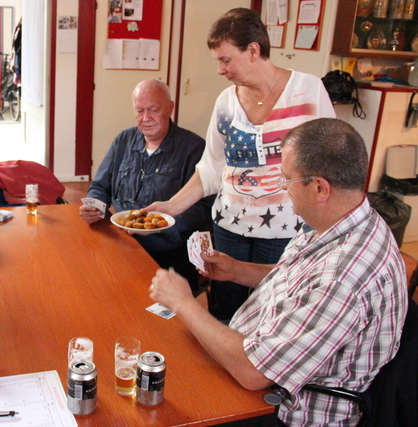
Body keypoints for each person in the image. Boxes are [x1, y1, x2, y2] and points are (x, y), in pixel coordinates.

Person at [149, 118, 408, 426]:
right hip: (256, 350)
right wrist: (238, 271)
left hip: (283, 406)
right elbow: (299, 277)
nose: (282, 188)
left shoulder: (342, 277)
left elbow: (253, 373)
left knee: (160, 397)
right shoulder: (340, 219)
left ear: (319, 188)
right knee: (162, 351)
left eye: (286, 180)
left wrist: (183, 303)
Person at [146, 8, 335, 320]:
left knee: (272, 311)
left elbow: (329, 164)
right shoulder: (226, 102)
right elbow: (210, 170)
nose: (220, 70)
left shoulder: (309, 91)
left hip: (283, 229)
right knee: (226, 309)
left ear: (253, 51)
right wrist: (170, 207)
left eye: (225, 60)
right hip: (229, 225)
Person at [80, 79, 214, 294]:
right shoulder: (123, 140)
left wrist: (163, 225)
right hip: (122, 244)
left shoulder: (193, 147)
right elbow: (100, 185)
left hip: (170, 251)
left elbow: (205, 207)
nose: (146, 118)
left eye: (153, 110)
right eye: (139, 111)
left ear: (170, 108)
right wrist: (95, 206)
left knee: (163, 318)